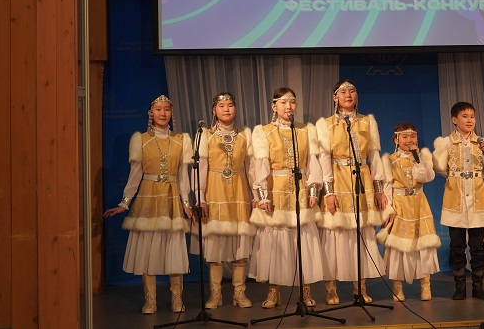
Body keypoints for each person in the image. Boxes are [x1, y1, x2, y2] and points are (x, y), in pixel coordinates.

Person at [103, 94, 193, 314]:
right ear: (150, 113)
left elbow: (183, 176)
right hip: (148, 197)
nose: (163, 113)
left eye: (167, 109)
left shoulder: (181, 140)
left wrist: (186, 203)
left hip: (171, 198)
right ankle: (150, 300)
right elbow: (135, 175)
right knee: (148, 251)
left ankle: (176, 298)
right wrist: (125, 203)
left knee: (174, 249)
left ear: (171, 113)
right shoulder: (141, 140)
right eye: (158, 109)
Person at [316, 79, 391, 304]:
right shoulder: (326, 124)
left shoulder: (367, 122)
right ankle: (331, 289)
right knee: (335, 236)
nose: (348, 95)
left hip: (361, 180)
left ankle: (360, 288)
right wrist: (328, 191)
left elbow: (374, 156)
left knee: (361, 236)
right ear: (335, 97)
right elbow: (324, 158)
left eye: (352, 91)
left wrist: (379, 189)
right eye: (343, 91)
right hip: (337, 178)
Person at [249, 87, 324, 308]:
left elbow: (312, 164)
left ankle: (305, 289)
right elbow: (259, 166)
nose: (288, 106)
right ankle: (274, 291)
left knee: (303, 240)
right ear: (274, 106)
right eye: (283, 102)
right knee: (276, 242)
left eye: (292, 102)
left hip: (300, 190)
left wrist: (313, 191)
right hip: (276, 190)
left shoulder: (306, 130)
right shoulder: (264, 132)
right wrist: (262, 196)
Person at [194, 92, 256, 309]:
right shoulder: (205, 135)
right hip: (215, 191)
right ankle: (215, 295)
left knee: (240, 244)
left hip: (239, 191)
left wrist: (257, 196)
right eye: (221, 106)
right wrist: (200, 198)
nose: (227, 109)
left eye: (230, 105)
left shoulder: (245, 135)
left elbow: (251, 168)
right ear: (214, 110)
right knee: (216, 246)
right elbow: (200, 169)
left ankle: (239, 293)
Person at [432, 101, 484, 300]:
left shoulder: (483, 142)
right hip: (456, 196)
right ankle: (459, 286)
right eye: (464, 116)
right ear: (454, 119)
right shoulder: (446, 143)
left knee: (478, 244)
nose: (469, 120)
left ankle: (478, 285)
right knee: (457, 244)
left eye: (472, 117)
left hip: (478, 196)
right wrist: (455, 177)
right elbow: (440, 168)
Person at [378, 122, 440, 301]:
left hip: (419, 204)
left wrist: (418, 160)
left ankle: (425, 285)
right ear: (396, 139)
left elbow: (426, 177)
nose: (409, 140)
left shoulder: (422, 157)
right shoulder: (389, 160)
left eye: (412, 136)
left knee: (422, 245)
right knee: (398, 246)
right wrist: (388, 210)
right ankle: (397, 288)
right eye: (404, 137)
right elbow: (387, 186)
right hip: (400, 204)